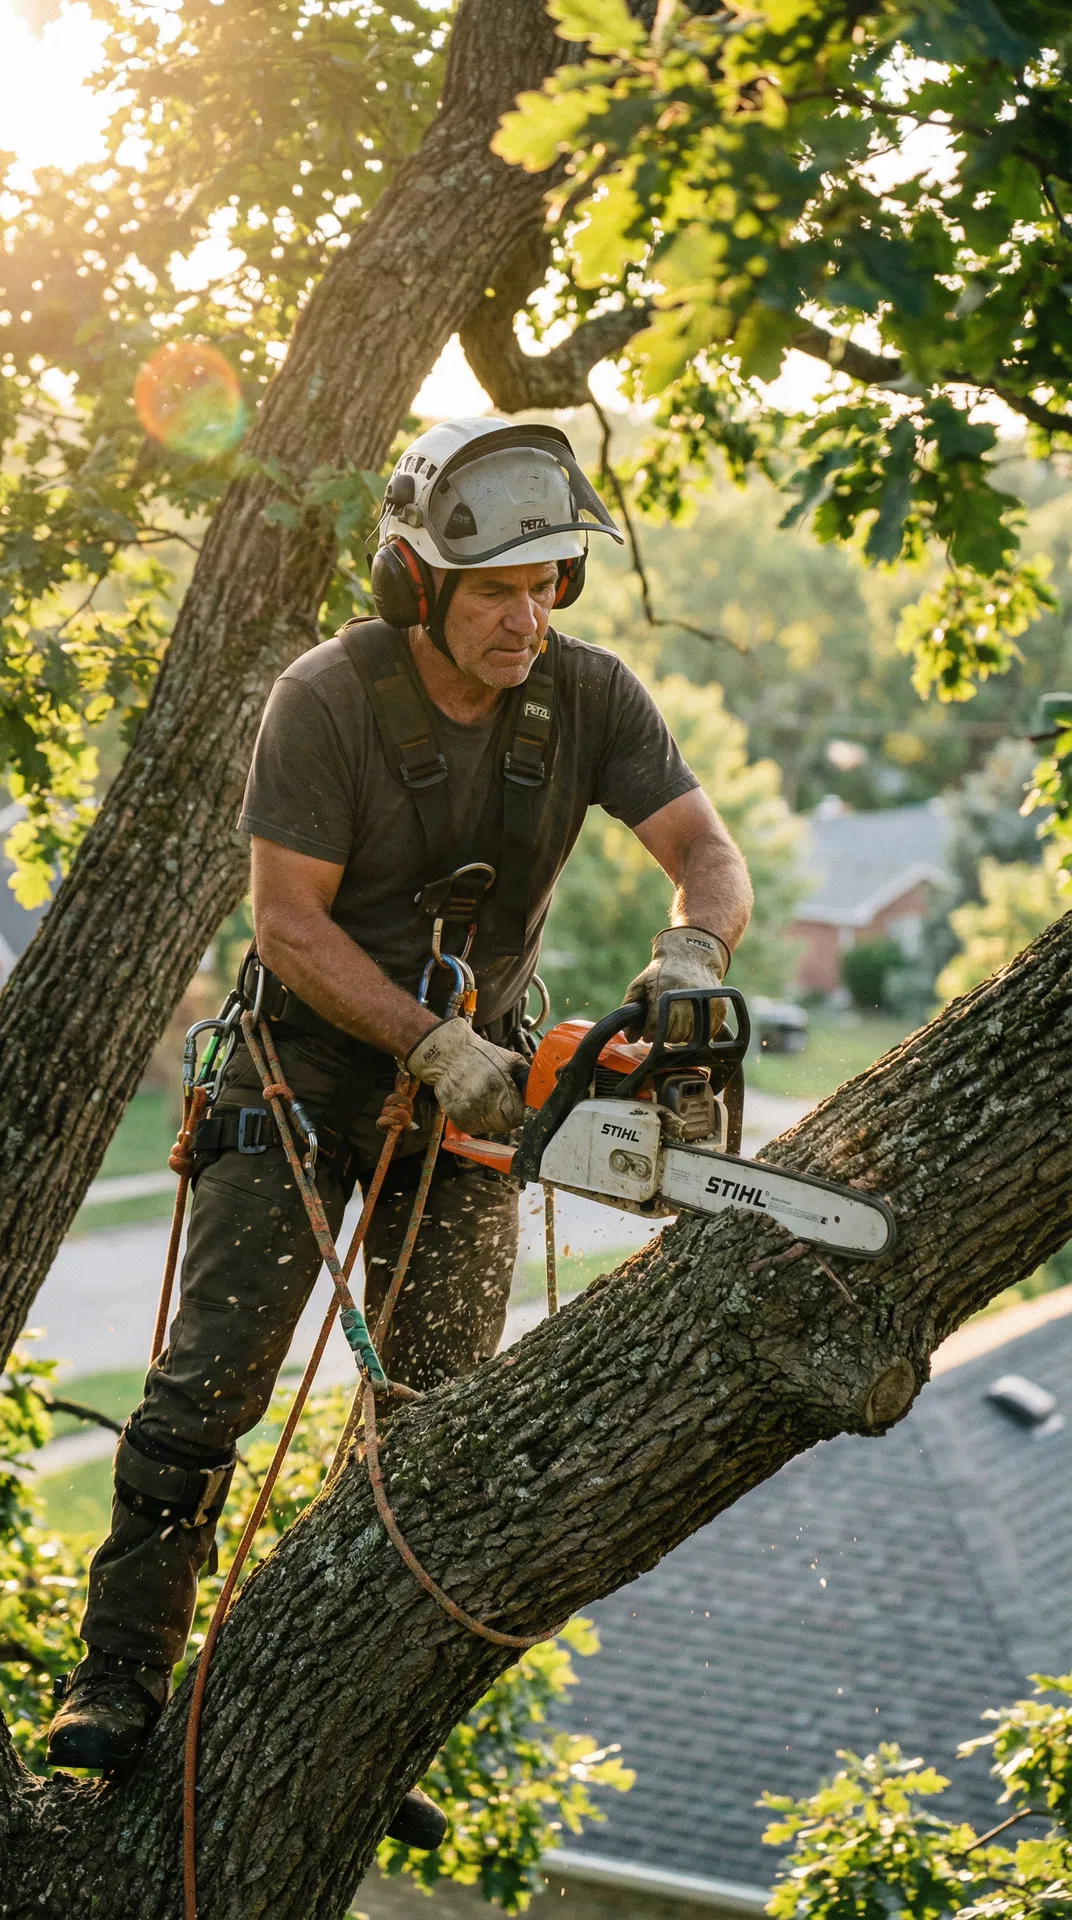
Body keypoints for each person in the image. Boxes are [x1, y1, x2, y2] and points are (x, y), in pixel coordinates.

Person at [48, 418, 753, 1803]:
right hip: (302, 1077)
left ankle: (349, 1716)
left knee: (434, 1423)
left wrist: (694, 949)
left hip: (477, 1093)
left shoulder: (588, 697)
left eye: (547, 585)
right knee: (208, 1387)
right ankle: (119, 1678)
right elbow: (287, 924)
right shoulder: (326, 699)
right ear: (413, 582)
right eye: (496, 592)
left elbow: (704, 847)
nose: (526, 618)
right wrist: (428, 1042)